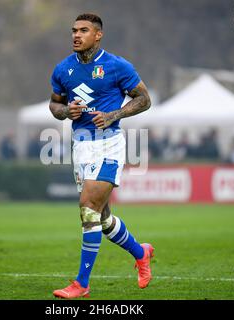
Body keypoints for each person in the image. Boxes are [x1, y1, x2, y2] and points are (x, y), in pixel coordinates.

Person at [49, 13, 154, 299]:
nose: (76, 35)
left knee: (88, 209)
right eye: (73, 30)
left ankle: (82, 284)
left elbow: (144, 99)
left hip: (109, 145)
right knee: (104, 219)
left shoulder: (117, 66)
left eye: (83, 30)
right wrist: (64, 112)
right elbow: (54, 105)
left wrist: (114, 115)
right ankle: (140, 252)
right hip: (81, 147)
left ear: (98, 35)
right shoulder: (63, 69)